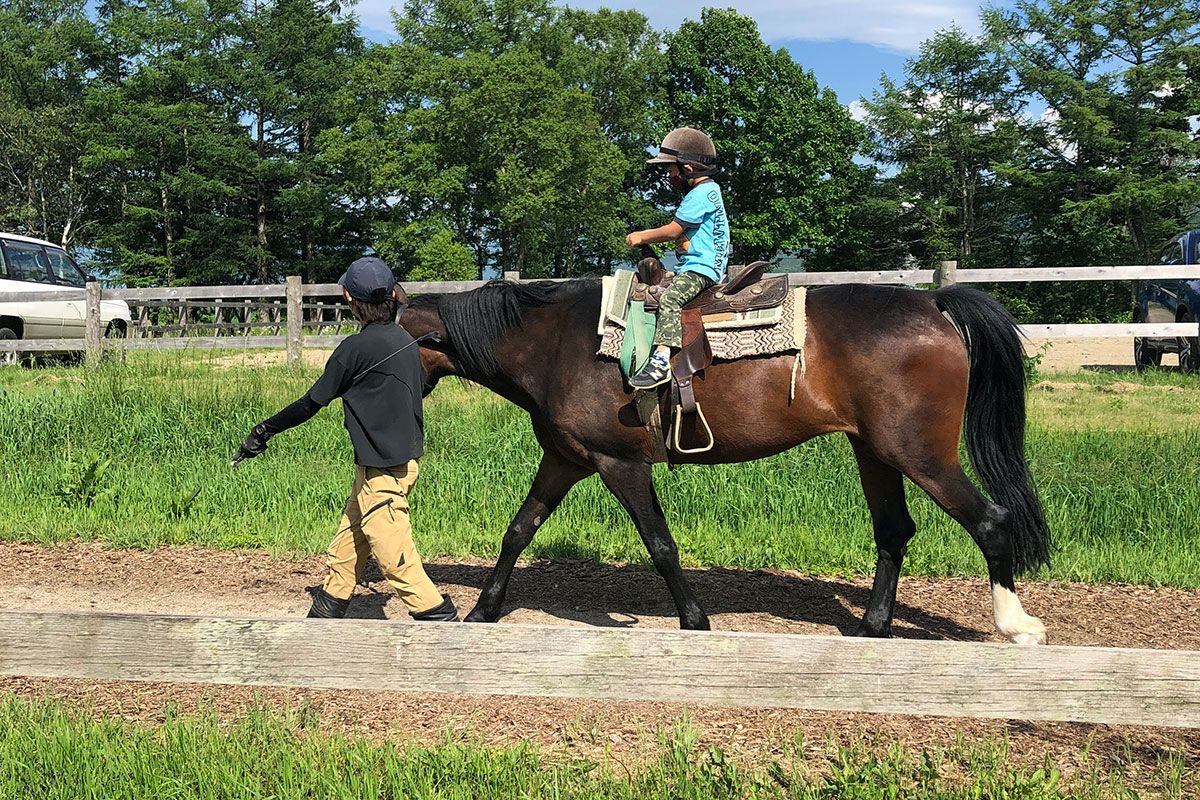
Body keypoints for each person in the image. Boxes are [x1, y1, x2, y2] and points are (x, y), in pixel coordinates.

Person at [233, 257, 458, 622]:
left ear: (349, 299)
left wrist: (263, 430)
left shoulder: (354, 350)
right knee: (348, 547)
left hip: (382, 474)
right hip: (396, 466)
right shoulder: (406, 341)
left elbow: (310, 404)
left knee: (397, 562)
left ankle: (444, 626)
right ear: (393, 295)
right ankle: (325, 615)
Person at [625, 126, 730, 389]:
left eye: (671, 170)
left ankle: (661, 360)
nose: (669, 176)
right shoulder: (710, 191)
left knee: (670, 299)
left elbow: (673, 230)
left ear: (688, 168)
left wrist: (641, 237)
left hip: (700, 269)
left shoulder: (700, 194)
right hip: (701, 265)